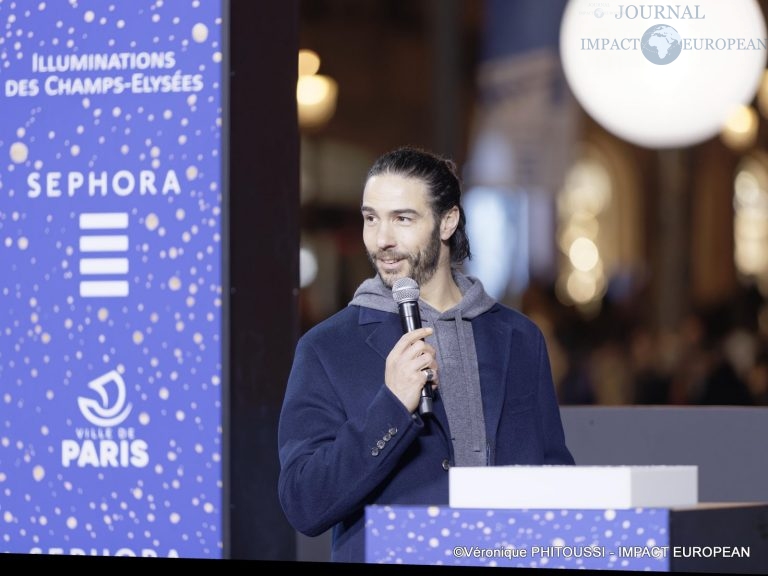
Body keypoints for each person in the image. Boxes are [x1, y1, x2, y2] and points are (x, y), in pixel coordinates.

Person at [277, 146, 574, 563]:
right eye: (371, 218)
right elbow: (304, 503)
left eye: (403, 218)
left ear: (447, 221)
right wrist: (393, 406)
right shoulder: (328, 348)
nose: (383, 240)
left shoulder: (518, 337)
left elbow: (554, 474)